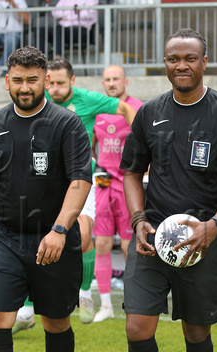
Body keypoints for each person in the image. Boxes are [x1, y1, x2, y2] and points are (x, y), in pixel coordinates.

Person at [120, 28, 217, 352]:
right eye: (173, 59)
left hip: (203, 240)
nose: (181, 65)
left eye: (189, 58)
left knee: (196, 334)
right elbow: (132, 173)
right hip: (151, 238)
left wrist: (216, 224)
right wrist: (138, 220)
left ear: (204, 62)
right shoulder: (149, 113)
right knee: (136, 328)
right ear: (165, 63)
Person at [0, 45, 92, 352]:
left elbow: (80, 180)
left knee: (55, 322)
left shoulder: (68, 123)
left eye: (33, 80)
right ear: (6, 81)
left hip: (54, 240)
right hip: (5, 238)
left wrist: (60, 229)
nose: (25, 87)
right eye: (18, 80)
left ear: (46, 80)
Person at [12, 57, 137, 330]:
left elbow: (125, 107)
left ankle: (84, 293)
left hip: (81, 179)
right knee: (36, 238)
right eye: (51, 83)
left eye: (60, 83)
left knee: (80, 236)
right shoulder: (38, 99)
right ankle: (28, 309)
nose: (54, 89)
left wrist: (143, 146)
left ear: (72, 81)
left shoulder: (88, 99)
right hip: (44, 182)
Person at [91, 64, 143, 322]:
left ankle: (134, 302)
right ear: (103, 83)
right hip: (102, 185)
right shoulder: (97, 109)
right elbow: (89, 147)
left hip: (128, 186)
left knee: (128, 247)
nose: (112, 83)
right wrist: (95, 170)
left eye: (116, 79)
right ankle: (106, 305)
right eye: (107, 79)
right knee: (100, 243)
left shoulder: (138, 107)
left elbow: (148, 144)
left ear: (126, 82)